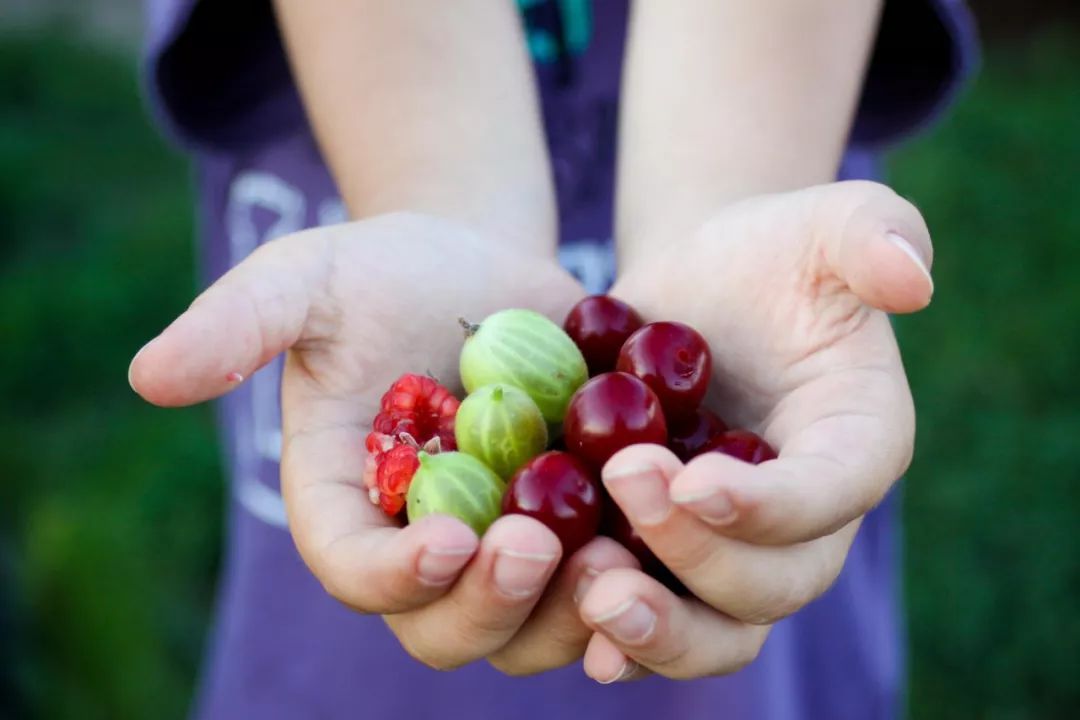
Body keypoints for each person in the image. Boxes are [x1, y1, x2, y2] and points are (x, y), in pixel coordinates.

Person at [130, 1, 978, 718]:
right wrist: (445, 210)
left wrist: (732, 206)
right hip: (374, 145)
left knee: (732, 549)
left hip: (765, 129)